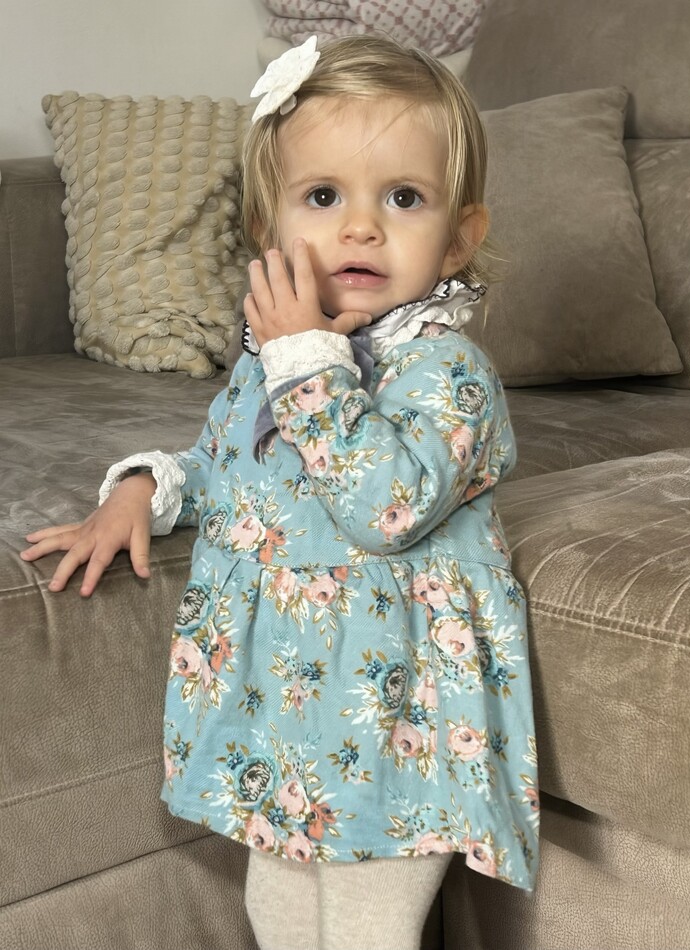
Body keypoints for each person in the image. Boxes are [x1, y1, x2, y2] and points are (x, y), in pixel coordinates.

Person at [21, 34, 539, 950]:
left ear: (460, 237)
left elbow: (384, 506)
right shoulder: (280, 368)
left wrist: (305, 359)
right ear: (270, 228)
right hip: (284, 707)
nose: (361, 227)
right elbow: (231, 468)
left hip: (393, 713)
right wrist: (145, 487)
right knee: (276, 912)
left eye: (404, 198)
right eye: (324, 196)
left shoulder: (446, 372)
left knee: (370, 927)